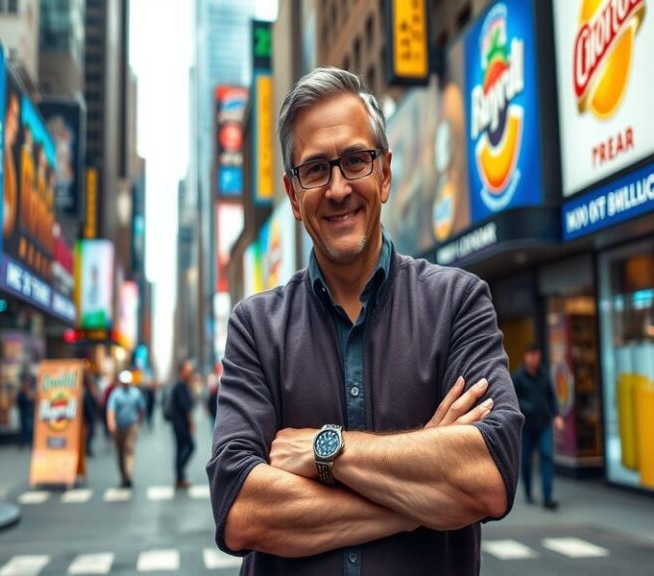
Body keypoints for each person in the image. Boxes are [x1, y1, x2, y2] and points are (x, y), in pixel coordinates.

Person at [206, 67, 523, 575]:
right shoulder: (254, 327)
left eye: (355, 160)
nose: (337, 189)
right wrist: (421, 496)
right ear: (291, 193)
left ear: (385, 174)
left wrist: (321, 448)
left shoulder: (459, 303)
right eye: (314, 170)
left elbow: (486, 478)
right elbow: (243, 513)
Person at [513, 342, 564, 510]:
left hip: (543, 424)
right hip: (526, 427)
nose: (534, 358)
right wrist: (526, 407)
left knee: (547, 456)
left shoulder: (544, 375)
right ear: (525, 356)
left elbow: (551, 397)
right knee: (526, 461)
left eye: (537, 355)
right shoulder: (518, 377)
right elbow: (512, 400)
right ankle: (527, 490)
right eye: (531, 355)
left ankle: (548, 497)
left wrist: (556, 415)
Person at [106, 370, 146, 488]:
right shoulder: (116, 394)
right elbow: (111, 410)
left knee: (129, 450)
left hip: (131, 426)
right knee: (120, 452)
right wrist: (111, 423)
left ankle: (128, 476)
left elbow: (141, 408)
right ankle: (123, 476)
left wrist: (140, 421)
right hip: (119, 427)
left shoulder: (136, 393)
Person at [171, 359, 195, 489]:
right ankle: (180, 473)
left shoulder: (183, 385)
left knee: (180, 449)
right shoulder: (180, 386)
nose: (190, 373)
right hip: (180, 424)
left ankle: (179, 477)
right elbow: (186, 406)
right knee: (190, 446)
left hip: (179, 423)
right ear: (182, 372)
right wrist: (191, 423)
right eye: (187, 370)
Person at [16, 372, 35, 449]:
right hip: (23, 412)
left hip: (28, 412)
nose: (28, 384)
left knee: (29, 428)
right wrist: (27, 399)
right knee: (25, 428)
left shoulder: (29, 391)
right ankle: (23, 443)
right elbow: (20, 401)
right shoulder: (21, 392)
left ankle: (29, 443)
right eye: (26, 382)